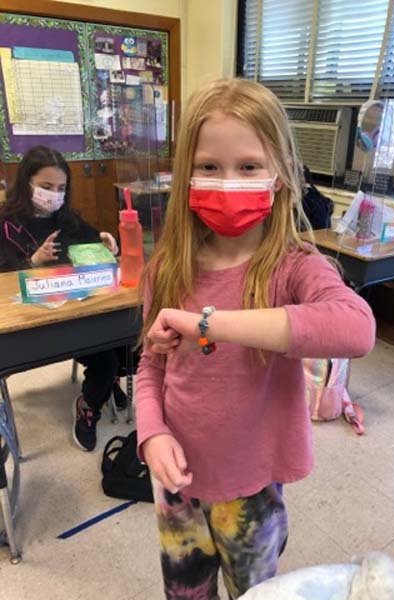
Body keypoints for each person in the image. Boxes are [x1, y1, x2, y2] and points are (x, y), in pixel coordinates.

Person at [136, 78, 376, 600]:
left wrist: (207, 324)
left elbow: (356, 327)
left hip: (251, 490)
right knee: (185, 593)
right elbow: (151, 366)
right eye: (208, 167)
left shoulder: (294, 266)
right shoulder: (167, 268)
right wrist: (151, 432)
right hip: (177, 485)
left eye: (248, 167)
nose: (228, 182)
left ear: (281, 172)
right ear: (186, 173)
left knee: (255, 593)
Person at [0, 145, 128, 452]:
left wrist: (108, 244)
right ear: (26, 182)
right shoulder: (6, 223)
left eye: (61, 188)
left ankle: (101, 387)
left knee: (122, 345)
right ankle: (91, 403)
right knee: (108, 359)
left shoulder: (66, 217)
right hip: (32, 322)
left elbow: (94, 242)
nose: (54, 195)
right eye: (46, 186)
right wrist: (32, 262)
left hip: (76, 310)